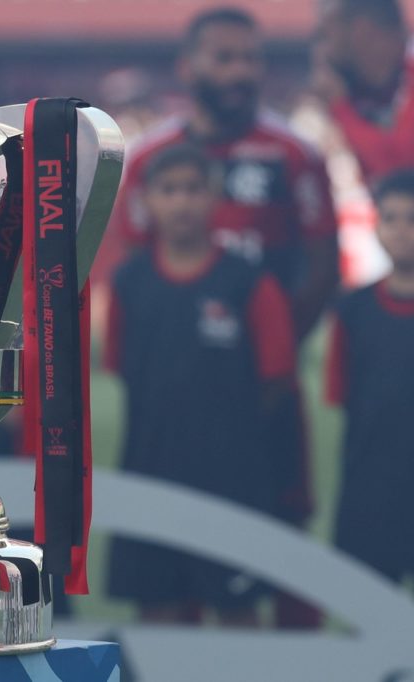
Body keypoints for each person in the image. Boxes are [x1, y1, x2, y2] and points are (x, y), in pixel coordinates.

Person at [109, 6, 338, 627]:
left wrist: (269, 347)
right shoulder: (151, 157)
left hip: (264, 382)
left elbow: (323, 262)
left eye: (252, 59)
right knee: (162, 545)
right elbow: (133, 274)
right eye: (226, 57)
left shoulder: (293, 154)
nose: (242, 71)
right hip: (173, 392)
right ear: (189, 67)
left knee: (278, 530)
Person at [105, 143, 297, 625]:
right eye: (169, 190)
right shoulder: (129, 283)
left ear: (213, 199)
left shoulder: (249, 281)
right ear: (147, 200)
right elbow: (121, 368)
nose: (182, 202)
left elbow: (276, 379)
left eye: (194, 189)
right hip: (151, 473)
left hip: (233, 482)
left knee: (237, 618)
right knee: (158, 620)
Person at [326, 168, 414, 583]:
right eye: (390, 218)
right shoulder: (353, 309)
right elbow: (341, 396)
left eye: (411, 219)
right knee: (374, 615)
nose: (400, 231)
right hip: (372, 486)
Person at [314, 0, 414, 186]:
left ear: (361, 31)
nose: (321, 51)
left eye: (324, 36)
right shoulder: (369, 92)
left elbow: (397, 182)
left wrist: (340, 109)